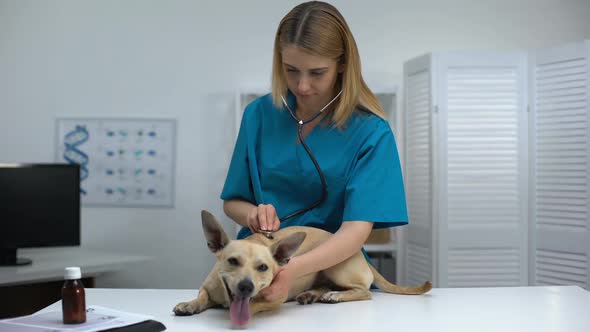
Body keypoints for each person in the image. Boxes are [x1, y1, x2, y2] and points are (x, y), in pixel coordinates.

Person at [220, 1, 408, 302]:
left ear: (342, 64)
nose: (302, 85)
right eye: (291, 70)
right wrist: (252, 214)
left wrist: (290, 269)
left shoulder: (372, 132)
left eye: (317, 73)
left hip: (329, 275)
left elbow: (355, 232)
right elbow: (232, 202)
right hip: (255, 269)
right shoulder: (258, 115)